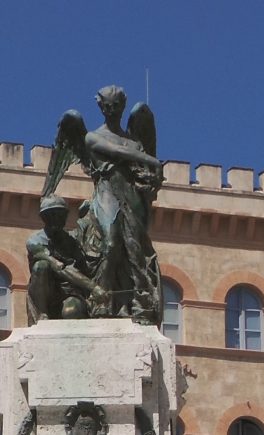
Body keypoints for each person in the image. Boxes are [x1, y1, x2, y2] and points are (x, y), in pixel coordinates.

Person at [82, 85, 162, 325]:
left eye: (116, 105)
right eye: (107, 105)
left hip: (131, 194)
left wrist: (151, 179)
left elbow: (142, 172)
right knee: (112, 242)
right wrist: (152, 160)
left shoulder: (134, 141)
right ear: (100, 106)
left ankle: (138, 303)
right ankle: (101, 302)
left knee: (134, 249)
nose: (112, 110)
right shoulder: (92, 137)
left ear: (123, 106)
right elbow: (116, 151)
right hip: (107, 192)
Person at [26, 195, 108, 325]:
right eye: (51, 215)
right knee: (41, 266)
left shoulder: (72, 241)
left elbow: (86, 265)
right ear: (44, 218)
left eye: (60, 215)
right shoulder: (35, 241)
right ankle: (42, 316)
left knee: (72, 311)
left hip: (68, 292)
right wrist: (94, 287)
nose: (56, 219)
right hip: (46, 293)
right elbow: (59, 267)